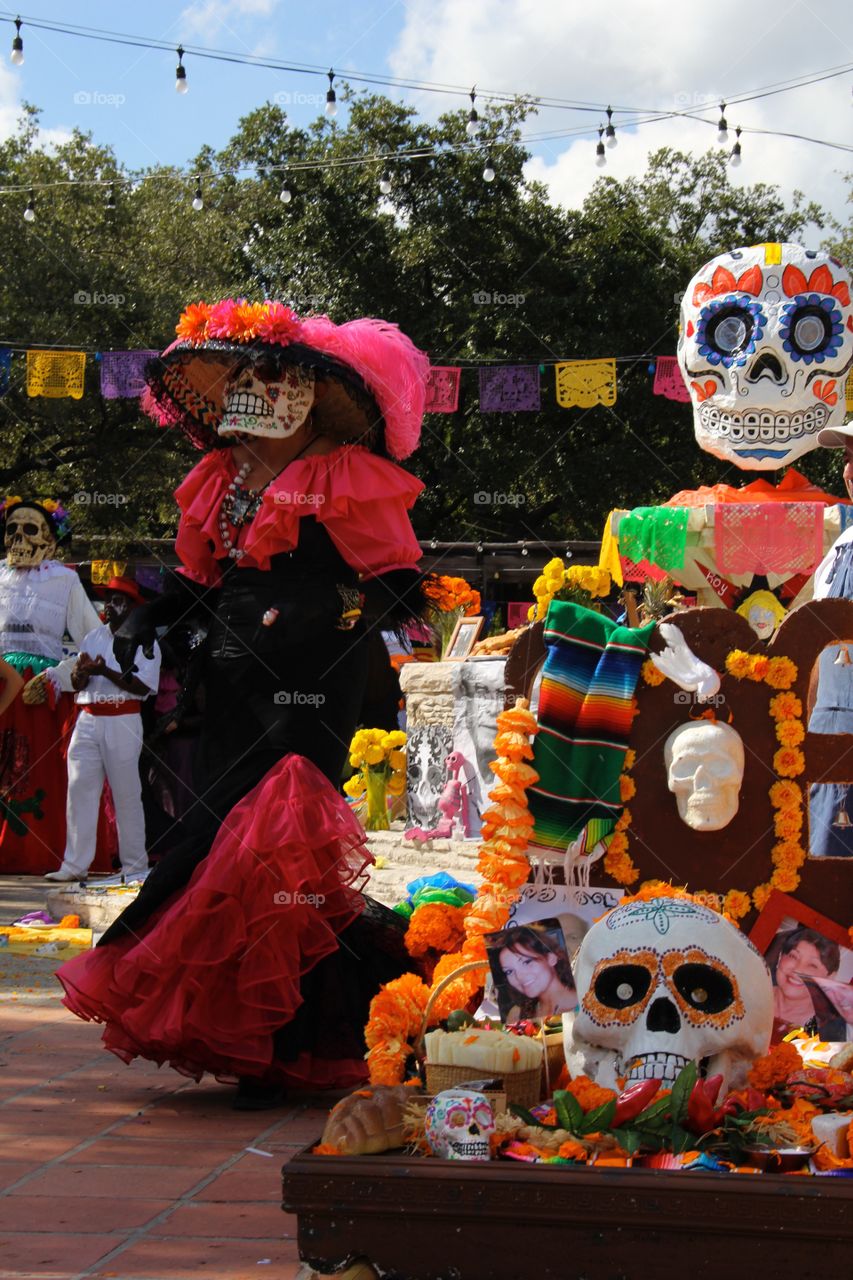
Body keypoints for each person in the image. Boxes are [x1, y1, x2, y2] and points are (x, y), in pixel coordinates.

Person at [56, 300, 428, 1108]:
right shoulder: (221, 475)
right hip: (230, 669)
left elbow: (398, 579)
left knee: (279, 841)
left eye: (267, 383)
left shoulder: (342, 471)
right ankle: (260, 1039)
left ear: (302, 396)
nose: (248, 402)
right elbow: (199, 581)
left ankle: (292, 1036)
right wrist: (150, 614)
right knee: (219, 838)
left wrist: (346, 618)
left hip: (310, 672)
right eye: (238, 385)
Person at [0, 498, 106, 873]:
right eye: (11, 529)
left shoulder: (64, 580)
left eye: (29, 529)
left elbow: (94, 642)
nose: (17, 538)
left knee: (35, 772)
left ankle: (38, 851)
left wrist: (56, 678)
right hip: (2, 686)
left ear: (51, 539)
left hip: (40, 693)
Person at [44, 576, 161, 885]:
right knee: (80, 790)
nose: (110, 605)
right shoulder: (93, 637)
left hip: (122, 718)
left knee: (126, 793)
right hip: (88, 717)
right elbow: (79, 683)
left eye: (119, 600)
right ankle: (74, 864)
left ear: (134, 607)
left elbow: (141, 686)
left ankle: (134, 866)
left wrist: (104, 670)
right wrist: (82, 674)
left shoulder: (145, 639)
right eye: (108, 599)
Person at [489, 923, 577, 1023]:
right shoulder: (517, 1015)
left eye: (527, 962)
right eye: (509, 971)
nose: (519, 976)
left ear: (551, 958)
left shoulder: (583, 1004)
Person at [769, 926, 843, 1041]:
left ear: (829, 978)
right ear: (780, 957)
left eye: (812, 965)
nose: (798, 969)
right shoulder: (750, 993)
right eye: (793, 956)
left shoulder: (827, 1034)